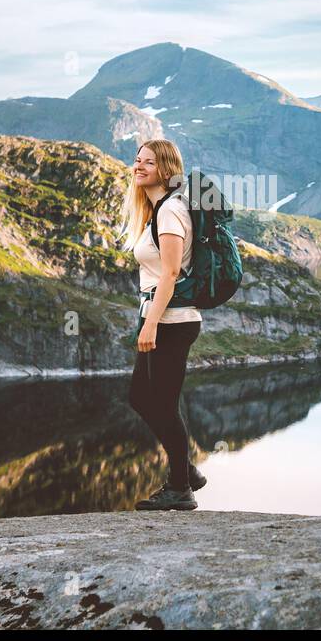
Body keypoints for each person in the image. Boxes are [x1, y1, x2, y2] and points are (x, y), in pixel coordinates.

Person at [122, 139, 208, 510]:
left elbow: (171, 272)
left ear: (166, 169)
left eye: (149, 162)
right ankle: (186, 471)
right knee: (142, 397)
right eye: (137, 160)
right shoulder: (158, 208)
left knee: (163, 403)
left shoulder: (171, 210)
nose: (139, 166)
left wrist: (151, 323)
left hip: (172, 320)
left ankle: (180, 488)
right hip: (162, 316)